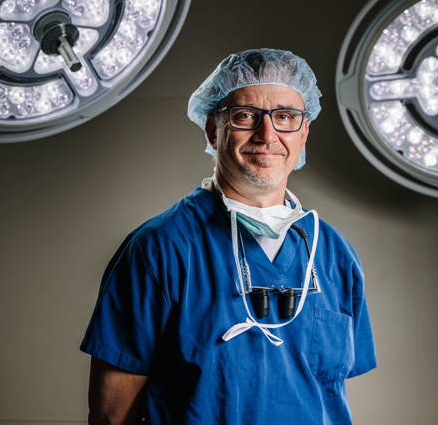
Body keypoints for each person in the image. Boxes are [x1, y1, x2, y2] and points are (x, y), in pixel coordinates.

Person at [81, 48, 377, 424]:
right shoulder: (159, 249)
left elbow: (327, 395)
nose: (267, 134)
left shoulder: (333, 253)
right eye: (245, 116)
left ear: (303, 133)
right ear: (213, 129)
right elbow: (112, 415)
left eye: (285, 117)